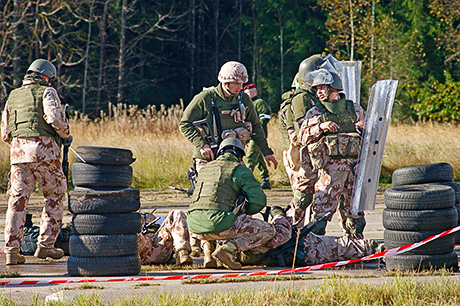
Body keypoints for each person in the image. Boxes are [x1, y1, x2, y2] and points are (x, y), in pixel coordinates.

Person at [1, 59, 71, 265]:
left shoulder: (13, 96)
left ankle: (12, 252)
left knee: (17, 201)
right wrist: (65, 135)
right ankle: (46, 246)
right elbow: (54, 118)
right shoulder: (47, 92)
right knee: (55, 196)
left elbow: (5, 132)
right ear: (45, 76)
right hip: (45, 153)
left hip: (18, 156)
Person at [187, 138, 276, 270]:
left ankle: (207, 253)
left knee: (211, 213)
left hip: (194, 228)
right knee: (269, 230)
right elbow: (259, 202)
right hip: (220, 225)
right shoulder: (239, 169)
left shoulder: (205, 169)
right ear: (240, 157)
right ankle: (228, 250)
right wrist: (242, 211)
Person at [299, 68, 366, 238]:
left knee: (355, 213)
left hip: (354, 170)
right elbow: (302, 137)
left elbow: (371, 135)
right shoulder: (316, 111)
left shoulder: (354, 108)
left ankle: (355, 248)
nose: (318, 92)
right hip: (330, 172)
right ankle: (315, 248)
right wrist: (319, 127)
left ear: (333, 88)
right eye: (317, 89)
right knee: (321, 213)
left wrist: (364, 127)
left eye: (322, 88)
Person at [179, 61, 277, 172]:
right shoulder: (205, 98)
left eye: (242, 84)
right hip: (208, 158)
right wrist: (202, 145)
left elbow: (255, 126)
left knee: (246, 185)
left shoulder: (244, 98)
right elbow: (184, 124)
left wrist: (266, 152)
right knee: (210, 187)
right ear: (225, 83)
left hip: (234, 157)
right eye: (237, 83)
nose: (241, 87)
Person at [240, 207, 380, 267]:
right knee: (348, 247)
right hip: (305, 249)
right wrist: (278, 214)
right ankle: (381, 250)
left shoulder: (226, 243)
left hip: (299, 247)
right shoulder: (240, 240)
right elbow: (281, 234)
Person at [243, 83, 272, 190]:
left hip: (257, 135)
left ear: (254, 92)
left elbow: (265, 116)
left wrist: (255, 127)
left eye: (249, 93)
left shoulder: (259, 102)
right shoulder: (247, 103)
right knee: (259, 158)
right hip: (249, 135)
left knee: (250, 156)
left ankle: (246, 180)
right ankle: (265, 179)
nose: (248, 95)